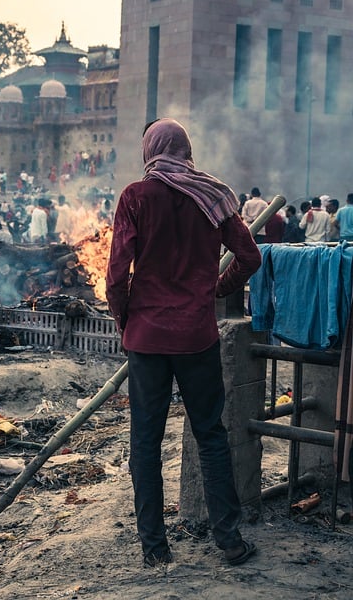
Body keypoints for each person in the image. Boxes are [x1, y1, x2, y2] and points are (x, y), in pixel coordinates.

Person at [106, 118, 261, 568]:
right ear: (186, 150)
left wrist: (124, 322)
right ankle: (229, 539)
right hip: (196, 336)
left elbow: (116, 277)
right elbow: (249, 257)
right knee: (210, 433)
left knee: (146, 440)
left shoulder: (135, 196)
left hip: (147, 338)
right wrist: (214, 288)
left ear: (150, 150)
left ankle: (155, 549)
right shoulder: (213, 196)